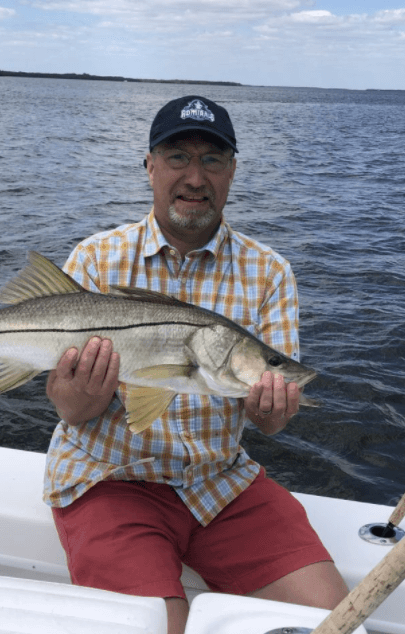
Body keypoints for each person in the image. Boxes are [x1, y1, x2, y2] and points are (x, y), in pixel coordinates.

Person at [43, 95, 348, 633]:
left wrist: (272, 410)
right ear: (150, 165)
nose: (194, 175)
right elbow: (69, 410)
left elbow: (273, 419)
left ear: (232, 171)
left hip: (221, 480)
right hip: (110, 477)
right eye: (178, 156)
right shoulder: (94, 258)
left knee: (333, 621)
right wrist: (83, 394)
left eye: (212, 159)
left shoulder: (270, 272)